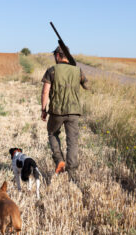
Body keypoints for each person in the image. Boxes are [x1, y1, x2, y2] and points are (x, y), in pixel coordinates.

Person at [41, 46, 89, 181]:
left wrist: (43, 110)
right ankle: (72, 171)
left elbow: (45, 91)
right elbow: (86, 85)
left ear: (57, 55)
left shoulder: (52, 70)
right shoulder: (77, 70)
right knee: (72, 141)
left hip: (56, 111)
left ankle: (59, 160)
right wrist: (76, 70)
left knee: (52, 133)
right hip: (74, 112)